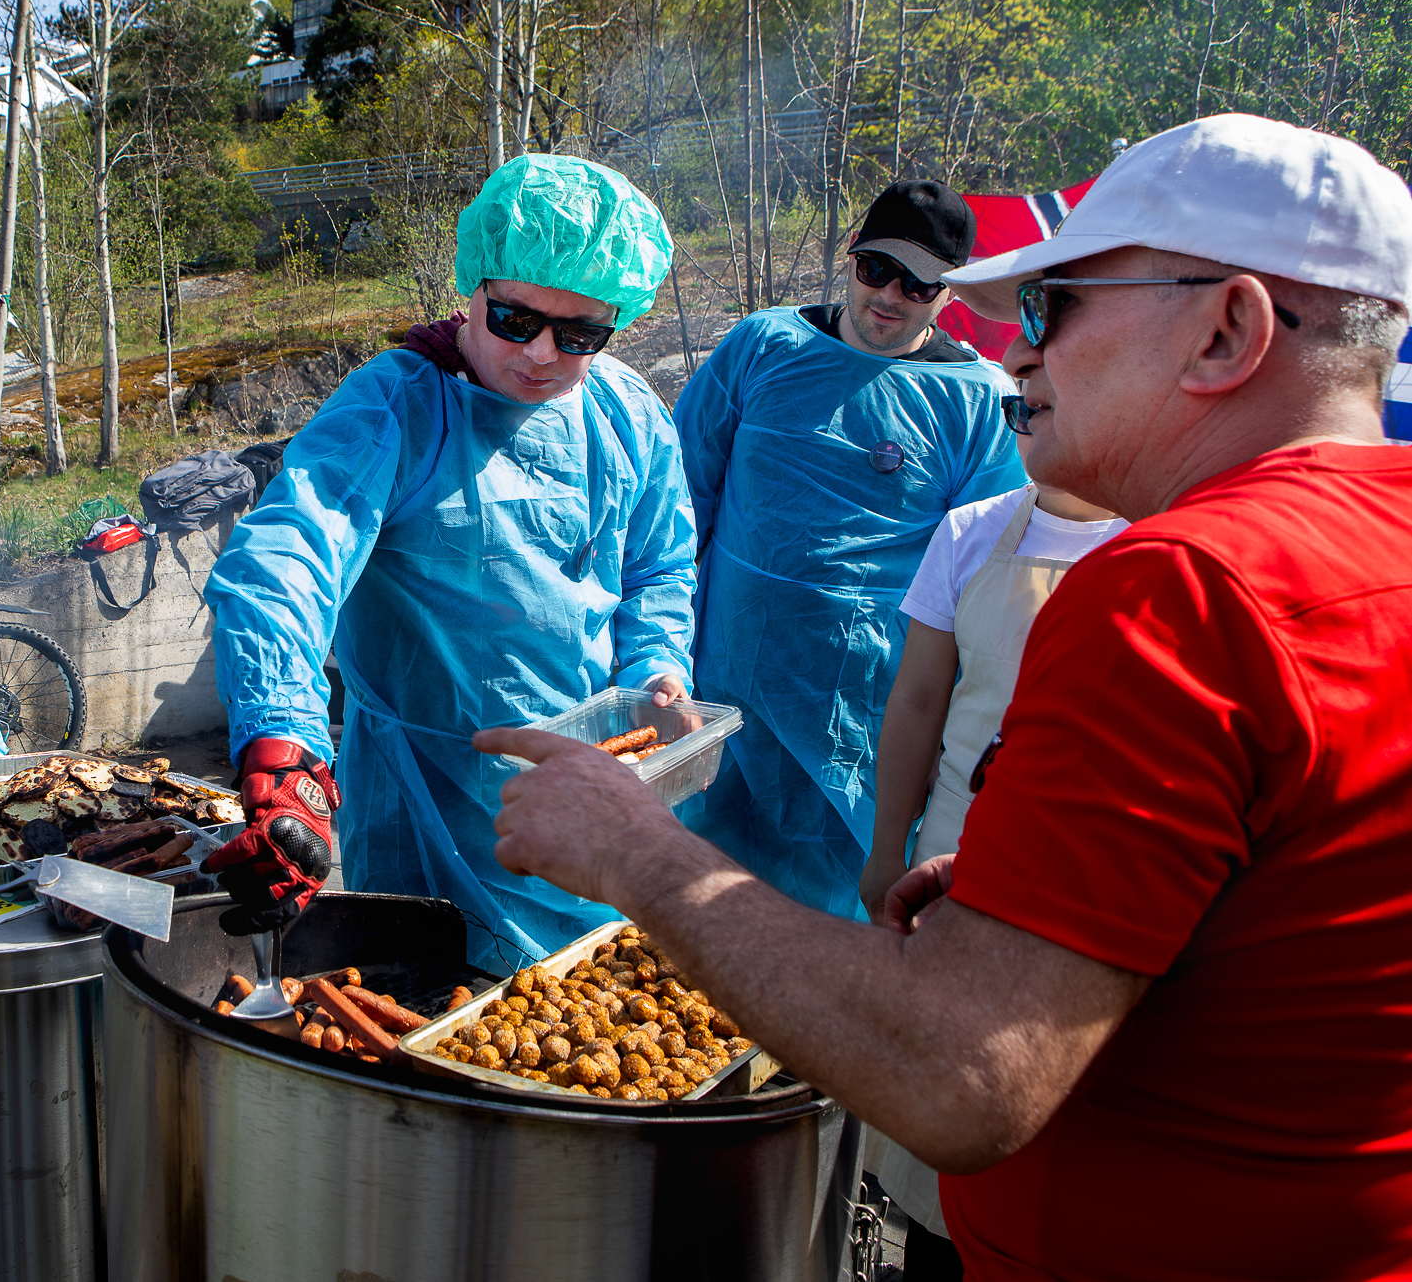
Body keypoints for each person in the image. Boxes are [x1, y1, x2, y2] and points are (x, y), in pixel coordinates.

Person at [480, 113, 1412, 1279]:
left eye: (1053, 309)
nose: (1018, 358)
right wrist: (1063, 903)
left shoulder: (1178, 596)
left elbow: (963, 1077)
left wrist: (634, 849)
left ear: (1226, 328)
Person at [201, 154, 698, 969]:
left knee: (581, 1030)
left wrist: (656, 668)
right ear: (474, 285)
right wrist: (285, 741)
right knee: (425, 1011)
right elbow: (287, 562)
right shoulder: (398, 405)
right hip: (429, 795)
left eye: (578, 335)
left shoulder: (627, 411)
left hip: (586, 785)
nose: (541, 352)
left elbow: (659, 565)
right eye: (515, 320)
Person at [672, 180, 1023, 919]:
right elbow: (679, 509)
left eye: (918, 282)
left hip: (860, 717)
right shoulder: (762, 347)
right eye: (875, 269)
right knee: (695, 912)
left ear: (949, 294)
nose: (890, 295)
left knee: (832, 924)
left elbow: (984, 585)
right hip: (725, 688)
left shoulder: (977, 404)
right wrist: (658, 653)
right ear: (850, 258)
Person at [855, 423, 1126, 1271]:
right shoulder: (971, 532)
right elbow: (918, 701)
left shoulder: (1156, 539)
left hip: (1088, 882)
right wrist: (883, 848)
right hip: (949, 855)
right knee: (941, 1109)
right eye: (1020, 406)